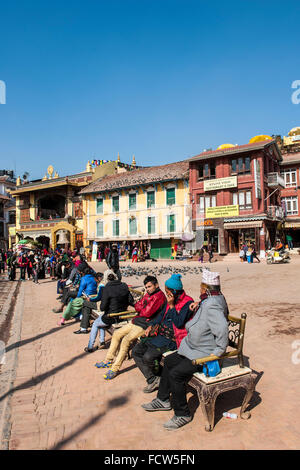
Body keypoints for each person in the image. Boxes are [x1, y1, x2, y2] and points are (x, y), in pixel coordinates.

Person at [141, 269, 229, 430]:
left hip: (203, 352)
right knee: (168, 361)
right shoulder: (210, 300)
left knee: (176, 374)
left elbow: (222, 329)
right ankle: (163, 399)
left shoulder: (212, 304)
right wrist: (200, 305)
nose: (200, 290)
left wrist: (217, 354)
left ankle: (183, 413)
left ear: (205, 289)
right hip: (192, 347)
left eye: (202, 287)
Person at [96, 275, 166, 380]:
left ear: (156, 285)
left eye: (149, 286)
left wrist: (142, 307)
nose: (147, 289)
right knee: (116, 334)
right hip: (137, 321)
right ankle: (108, 360)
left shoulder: (159, 296)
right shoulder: (148, 295)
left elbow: (147, 313)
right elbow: (138, 305)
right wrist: (142, 307)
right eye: (146, 287)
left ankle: (115, 369)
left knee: (126, 340)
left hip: (146, 325)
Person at [132, 274, 193, 393]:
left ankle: (163, 378)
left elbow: (179, 322)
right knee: (136, 351)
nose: (166, 294)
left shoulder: (187, 302)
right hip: (160, 335)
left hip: (172, 339)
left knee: (149, 357)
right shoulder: (170, 300)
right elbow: (160, 316)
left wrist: (171, 306)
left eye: (167, 291)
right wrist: (151, 325)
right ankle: (153, 378)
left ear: (174, 291)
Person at [85, 273, 134, 353]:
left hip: (111, 317)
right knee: (100, 321)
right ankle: (101, 342)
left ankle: (90, 346)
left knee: (96, 323)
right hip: (123, 315)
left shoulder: (106, 289)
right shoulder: (124, 286)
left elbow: (102, 307)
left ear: (107, 280)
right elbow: (131, 301)